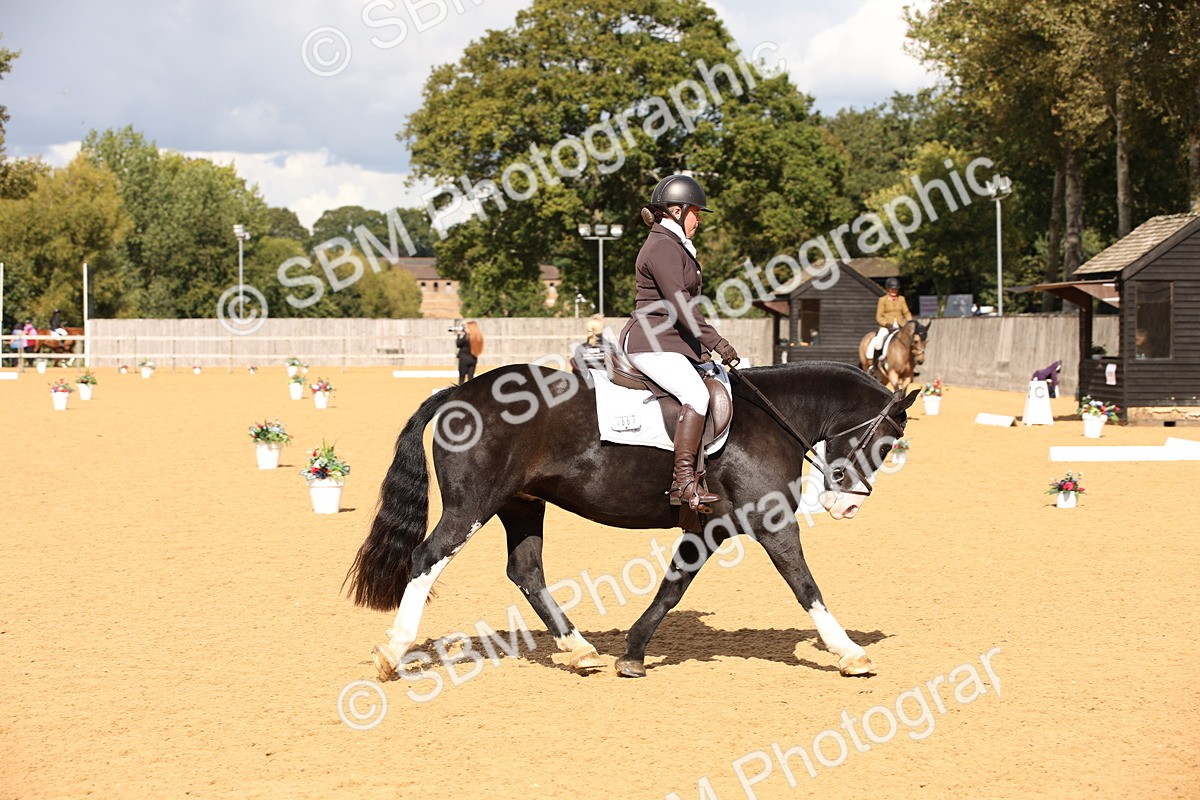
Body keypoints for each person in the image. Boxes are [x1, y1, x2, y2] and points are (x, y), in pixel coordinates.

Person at [620, 174, 738, 511]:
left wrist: (702, 350)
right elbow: (680, 304)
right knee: (696, 394)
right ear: (676, 211)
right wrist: (716, 341)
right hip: (650, 342)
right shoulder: (662, 247)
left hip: (668, 341)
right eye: (695, 212)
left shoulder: (672, 245)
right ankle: (683, 482)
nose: (698, 220)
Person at [866, 277, 912, 374]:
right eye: (892, 289)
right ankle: (874, 365)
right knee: (878, 343)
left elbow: (906, 313)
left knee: (911, 342)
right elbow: (879, 316)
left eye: (896, 289)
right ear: (888, 289)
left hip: (900, 326)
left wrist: (910, 322)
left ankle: (910, 366)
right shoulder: (882, 300)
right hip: (887, 327)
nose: (894, 291)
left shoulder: (901, 299)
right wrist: (886, 324)